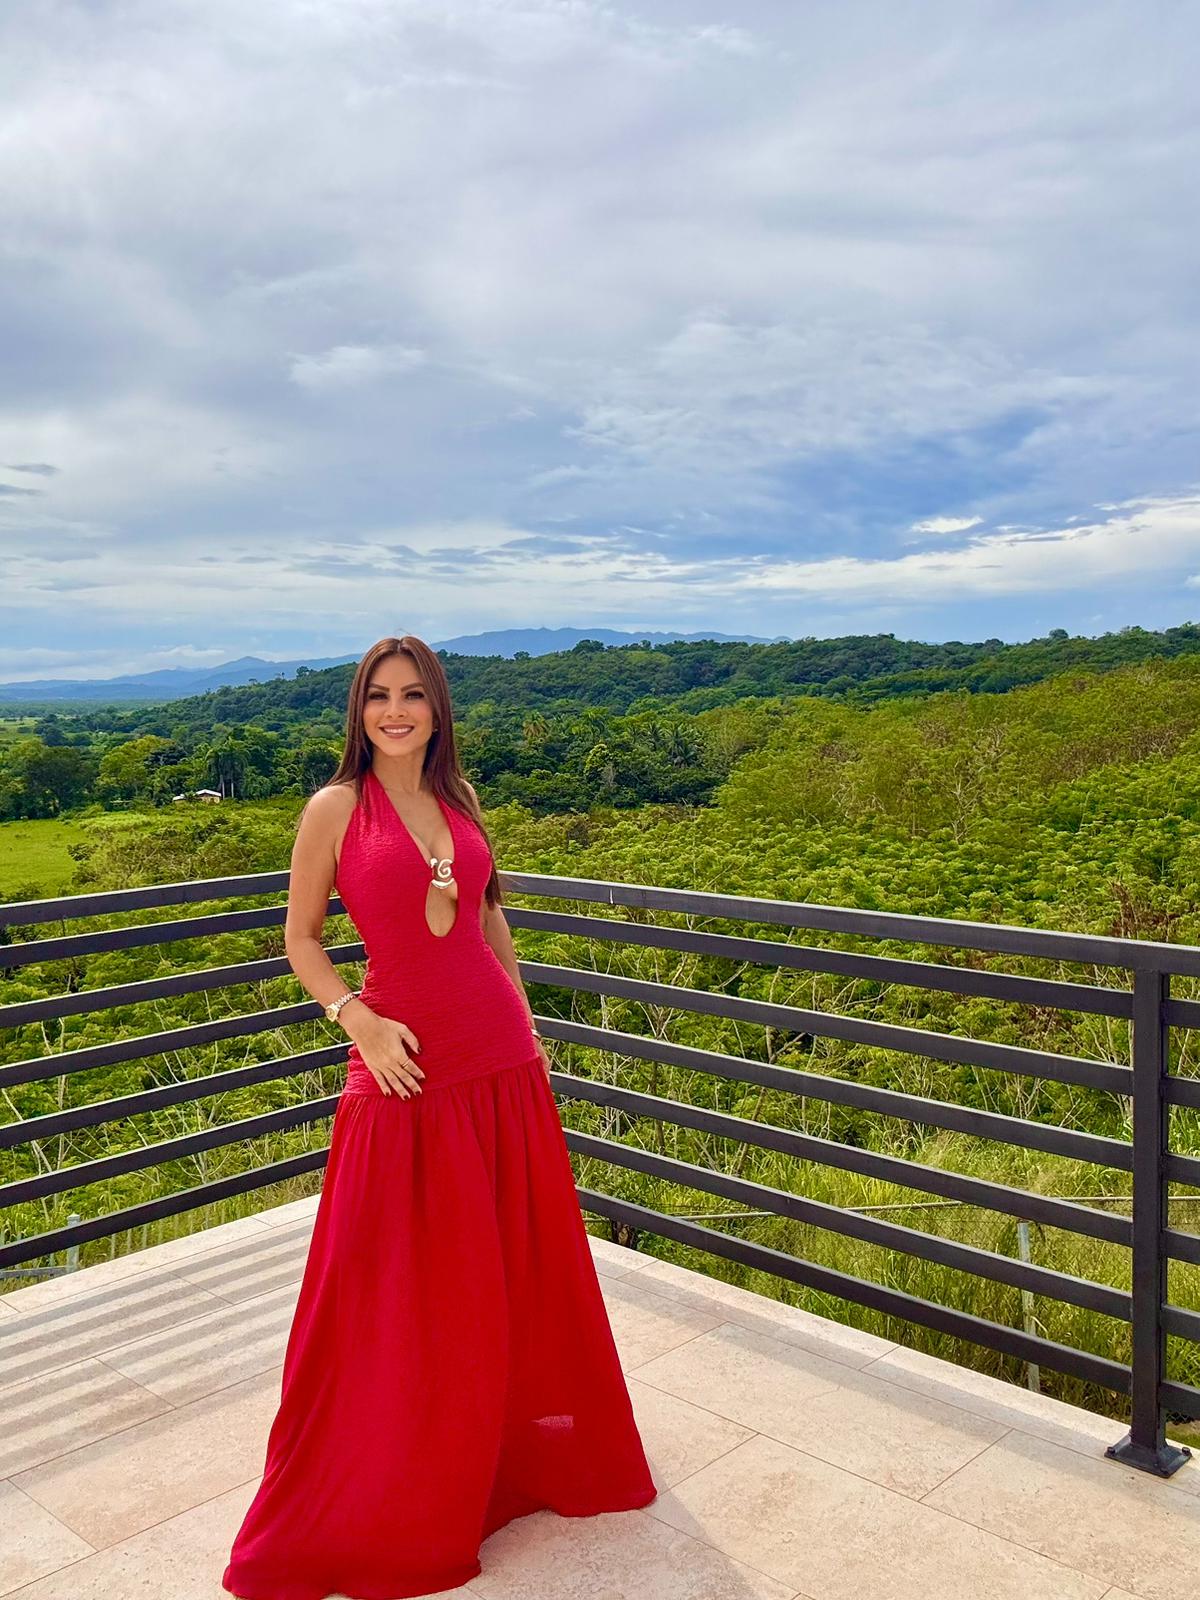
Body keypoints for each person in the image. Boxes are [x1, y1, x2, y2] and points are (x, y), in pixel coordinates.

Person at [222, 635, 657, 1600]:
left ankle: (499, 1458)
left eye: (413, 695)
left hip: (499, 1064)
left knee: (506, 1266)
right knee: (385, 1282)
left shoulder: (457, 801)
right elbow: (299, 939)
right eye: (379, 696)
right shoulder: (336, 808)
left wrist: (526, 1018)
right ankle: (396, 1477)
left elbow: (489, 917)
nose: (396, 711)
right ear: (358, 710)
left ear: (437, 707)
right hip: (404, 1071)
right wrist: (357, 1018)